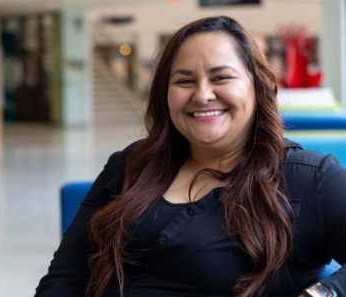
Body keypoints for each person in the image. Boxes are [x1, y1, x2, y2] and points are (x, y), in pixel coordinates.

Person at [35, 16, 346, 297]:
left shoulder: (309, 178)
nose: (201, 94)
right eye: (184, 81)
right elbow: (66, 275)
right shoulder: (130, 164)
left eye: (221, 77)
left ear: (257, 86)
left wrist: (320, 294)